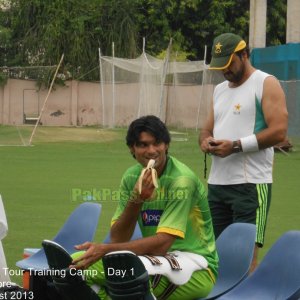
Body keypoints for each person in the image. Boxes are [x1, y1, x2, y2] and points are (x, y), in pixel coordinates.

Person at [71, 115, 218, 299]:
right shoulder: (132, 177)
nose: (151, 151)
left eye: (157, 143)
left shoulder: (181, 181)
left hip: (198, 268)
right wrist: (136, 199)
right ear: (132, 149)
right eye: (143, 145)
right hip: (156, 261)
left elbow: (162, 245)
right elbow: (117, 237)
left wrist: (105, 250)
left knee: (112, 277)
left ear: (166, 145)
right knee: (74, 263)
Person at [199, 33, 288, 271]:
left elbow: (279, 131)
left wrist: (235, 146)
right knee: (214, 256)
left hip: (250, 186)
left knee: (245, 258)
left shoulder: (265, 82)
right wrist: (206, 141)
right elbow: (206, 128)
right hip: (217, 185)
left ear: (244, 54)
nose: (224, 71)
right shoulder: (219, 90)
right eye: (220, 67)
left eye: (229, 64)